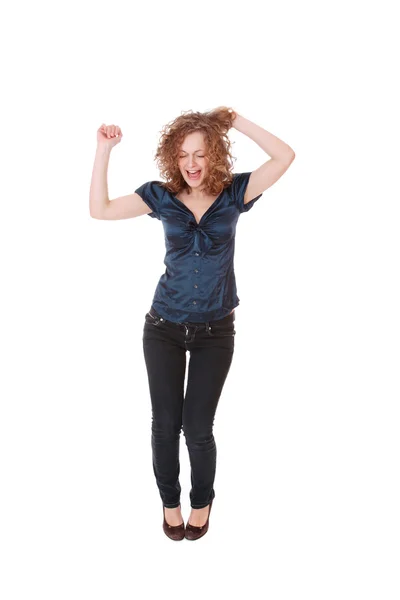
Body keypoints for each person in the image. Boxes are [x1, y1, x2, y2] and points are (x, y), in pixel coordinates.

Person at [89, 107, 295, 541]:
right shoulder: (161, 196)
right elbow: (100, 210)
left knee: (198, 429)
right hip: (162, 325)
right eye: (184, 154)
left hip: (215, 332)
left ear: (214, 154)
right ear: (173, 157)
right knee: (164, 424)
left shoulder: (235, 192)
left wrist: (235, 120)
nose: (192, 163)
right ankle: (169, 502)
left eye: (200, 153)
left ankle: (202, 502)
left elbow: (285, 156)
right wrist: (104, 150)